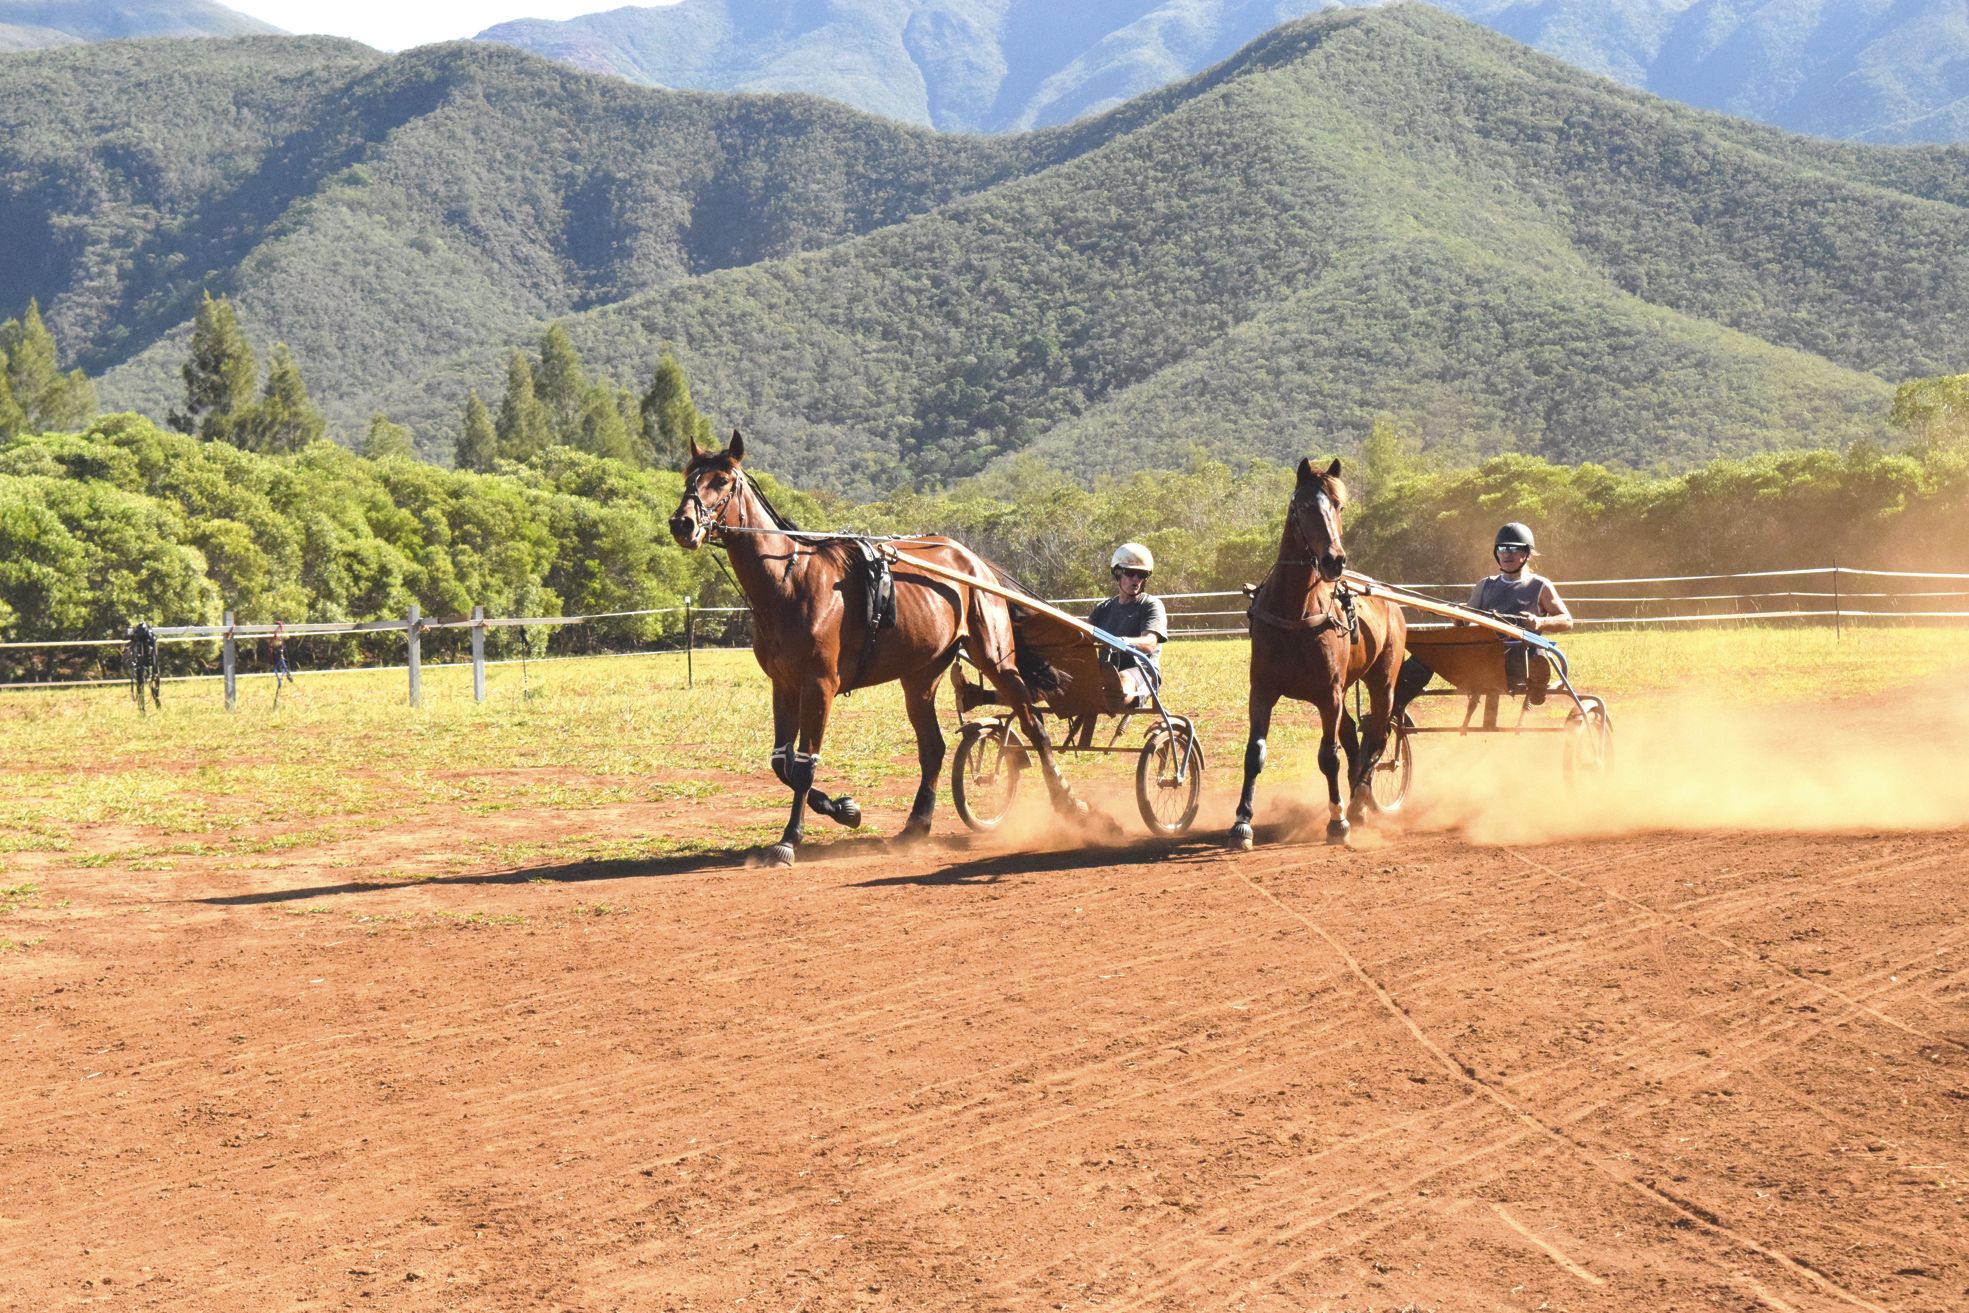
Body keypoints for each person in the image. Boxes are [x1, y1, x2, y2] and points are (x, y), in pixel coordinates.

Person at [1395, 521, 1573, 709]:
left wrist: (1540, 621)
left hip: (1518, 658)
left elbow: (1567, 620)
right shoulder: (1485, 585)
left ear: (1526, 553)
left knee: (1536, 651)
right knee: (1426, 655)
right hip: (1480, 658)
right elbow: (1464, 624)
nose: (1507, 553)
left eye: (1514, 548)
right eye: (1502, 548)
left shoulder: (1539, 586)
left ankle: (1537, 682)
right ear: (1496, 553)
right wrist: (1458, 620)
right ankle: (1389, 706)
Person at [1088, 542, 1168, 706]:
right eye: (1131, 573)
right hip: (1106, 671)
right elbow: (1083, 636)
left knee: (1121, 681)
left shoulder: (1151, 605)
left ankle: (1111, 692)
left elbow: (1150, 643)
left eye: (1142, 575)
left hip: (1142, 672)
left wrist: (1123, 642)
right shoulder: (1103, 609)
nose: (1136, 579)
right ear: (1117, 573)